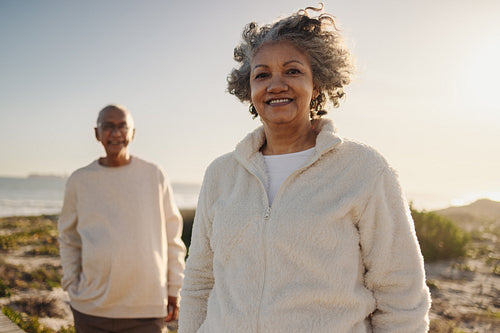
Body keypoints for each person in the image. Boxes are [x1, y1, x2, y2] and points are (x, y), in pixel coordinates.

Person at [179, 5, 431, 333]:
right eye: (262, 74)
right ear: (249, 89)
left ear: (317, 83)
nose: (276, 84)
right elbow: (199, 283)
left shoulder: (364, 169)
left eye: (293, 71)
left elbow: (401, 293)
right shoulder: (220, 174)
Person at [58, 104, 186, 333]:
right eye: (107, 126)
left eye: (122, 126)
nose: (115, 133)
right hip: (91, 308)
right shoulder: (79, 181)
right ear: (97, 133)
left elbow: (172, 237)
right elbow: (68, 237)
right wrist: (71, 281)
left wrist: (174, 287)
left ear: (133, 133)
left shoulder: (154, 175)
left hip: (147, 308)